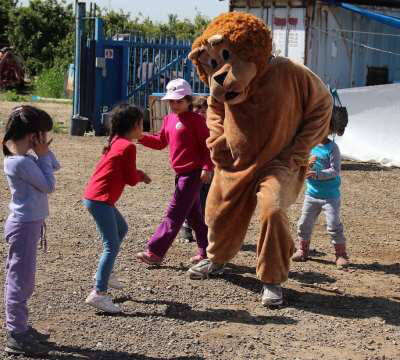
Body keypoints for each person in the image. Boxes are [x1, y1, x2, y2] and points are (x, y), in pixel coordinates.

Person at [2, 105, 60, 356]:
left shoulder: (26, 159)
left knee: (24, 278)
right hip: (24, 226)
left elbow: (53, 165)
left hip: (29, 224)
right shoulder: (19, 163)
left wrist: (43, 152)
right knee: (20, 280)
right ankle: (16, 334)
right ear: (32, 134)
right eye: (42, 134)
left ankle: (21, 327)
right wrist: (43, 155)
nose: (45, 138)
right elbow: (49, 185)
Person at [136, 79, 213, 266]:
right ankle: (206, 251)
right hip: (180, 174)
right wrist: (141, 137)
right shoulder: (168, 119)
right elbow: (161, 142)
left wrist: (207, 167)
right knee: (193, 215)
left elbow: (207, 146)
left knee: (174, 212)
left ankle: (155, 252)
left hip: (193, 174)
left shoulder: (196, 120)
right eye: (171, 101)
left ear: (188, 100)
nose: (174, 105)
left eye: (179, 101)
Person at [83, 104, 151, 313]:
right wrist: (141, 175)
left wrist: (136, 172)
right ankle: (98, 293)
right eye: (142, 124)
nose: (143, 127)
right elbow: (130, 179)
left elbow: (122, 171)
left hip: (96, 198)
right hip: (100, 200)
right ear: (134, 125)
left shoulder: (116, 141)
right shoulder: (128, 146)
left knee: (121, 229)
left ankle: (105, 272)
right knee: (110, 246)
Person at [292, 109, 349, 267]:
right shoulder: (310, 145)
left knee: (333, 224)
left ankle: (341, 254)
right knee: (304, 223)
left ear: (330, 130)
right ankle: (303, 250)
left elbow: (335, 171)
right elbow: (303, 163)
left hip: (330, 196)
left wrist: (317, 174)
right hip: (311, 194)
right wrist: (306, 165)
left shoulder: (332, 149)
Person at [181, 96, 211, 242]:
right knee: (192, 199)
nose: (201, 113)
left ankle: (203, 228)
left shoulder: (212, 127)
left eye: (204, 110)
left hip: (209, 169)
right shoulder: (190, 126)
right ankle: (187, 227)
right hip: (192, 169)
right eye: (197, 109)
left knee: (206, 199)